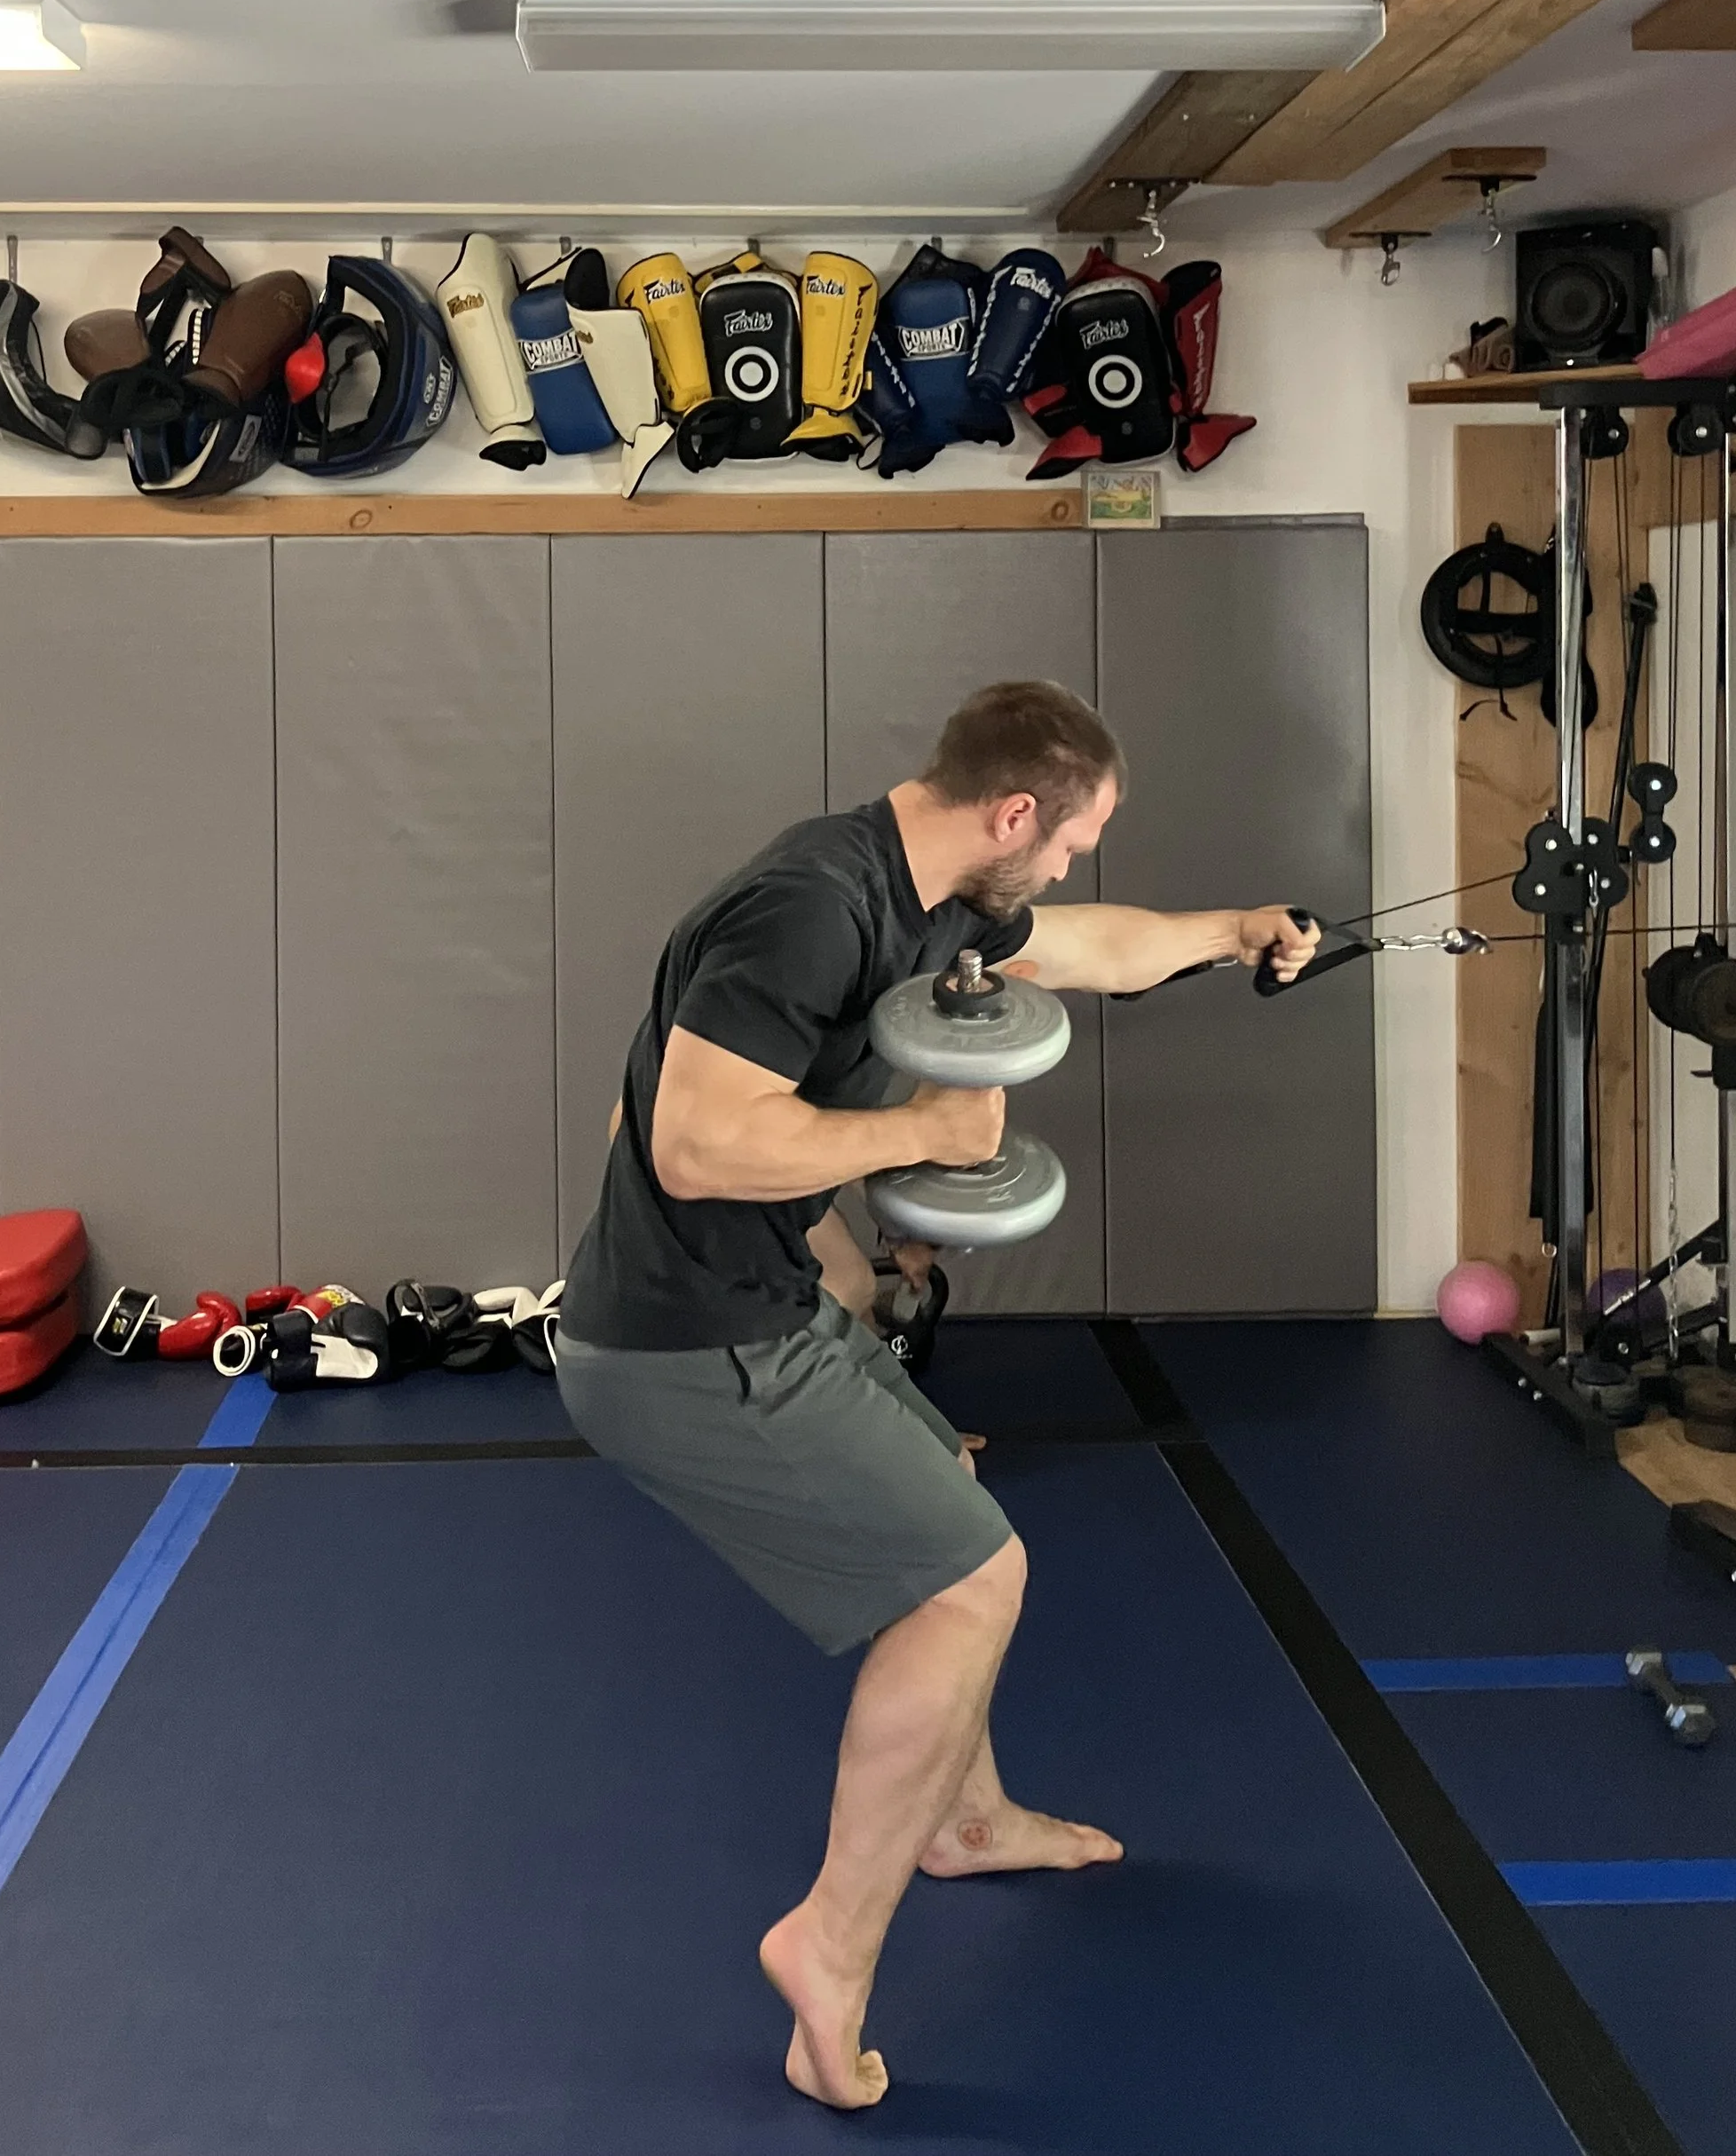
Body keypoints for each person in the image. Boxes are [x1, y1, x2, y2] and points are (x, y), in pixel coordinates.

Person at [555, 679, 1319, 2111]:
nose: (1070, 868)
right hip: (684, 1345)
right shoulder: (811, 907)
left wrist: (1233, 931)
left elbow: (1088, 948)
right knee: (971, 1585)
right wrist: (918, 1132)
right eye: (1071, 840)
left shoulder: (934, 896)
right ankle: (827, 1951)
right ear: (1014, 814)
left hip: (762, 1306)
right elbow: (686, 1147)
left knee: (948, 1492)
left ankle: (963, 1821)